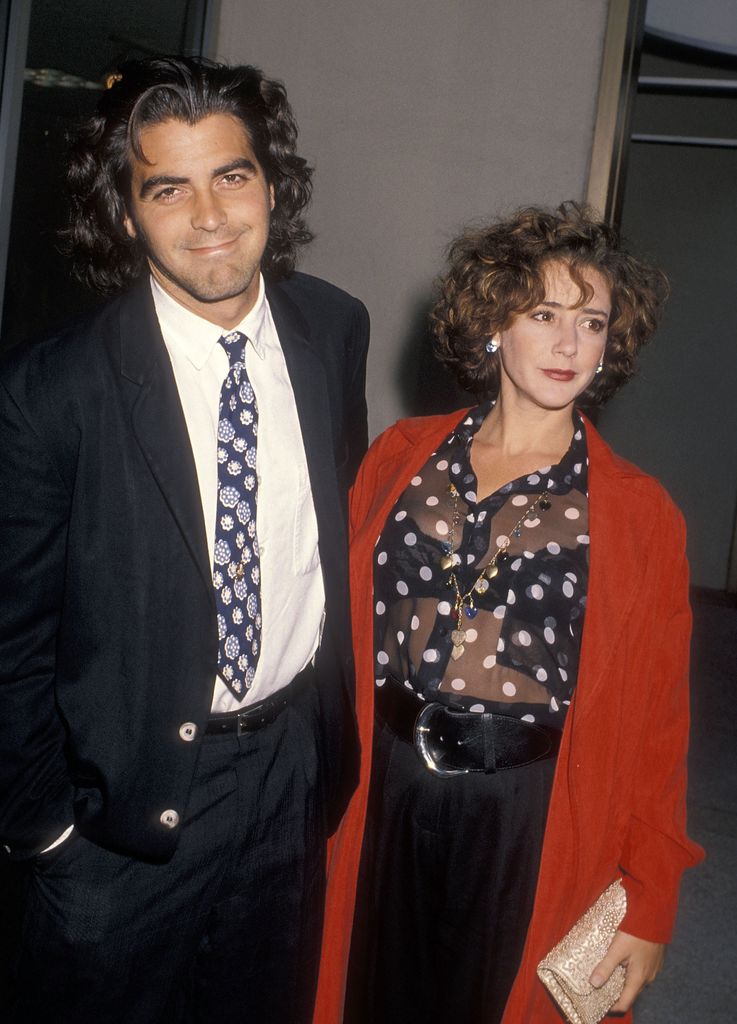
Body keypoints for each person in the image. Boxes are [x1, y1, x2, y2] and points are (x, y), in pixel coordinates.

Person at [0, 56, 368, 1024]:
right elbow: (10, 637)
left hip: (289, 770)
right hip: (118, 806)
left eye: (231, 176)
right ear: (126, 216)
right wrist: (45, 829)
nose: (209, 216)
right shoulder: (49, 389)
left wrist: (321, 760)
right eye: (167, 188)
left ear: (272, 186)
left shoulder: (334, 329)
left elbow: (325, 535)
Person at [313, 203, 703, 1024]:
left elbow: (658, 720)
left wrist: (649, 896)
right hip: (383, 784)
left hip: (525, 809)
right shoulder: (400, 456)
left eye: (591, 323)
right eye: (544, 315)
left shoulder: (639, 512)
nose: (569, 345)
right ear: (493, 323)